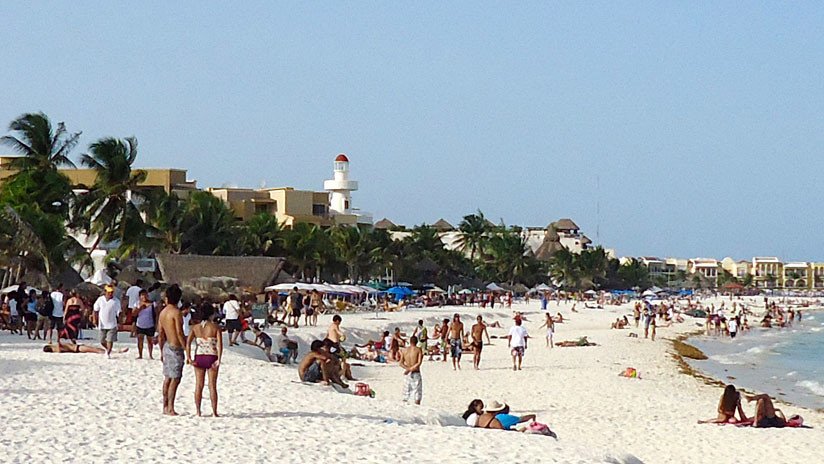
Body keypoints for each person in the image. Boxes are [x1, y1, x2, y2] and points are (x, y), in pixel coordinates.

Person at [185, 303, 223, 417]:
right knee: (212, 385)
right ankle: (214, 412)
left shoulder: (195, 328)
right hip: (211, 356)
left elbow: (188, 343)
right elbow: (220, 345)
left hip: (199, 356)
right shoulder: (215, 327)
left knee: (199, 385)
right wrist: (219, 359)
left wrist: (189, 357)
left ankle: (198, 411)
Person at [158, 284, 186, 416]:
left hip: (166, 346)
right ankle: (170, 407)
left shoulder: (163, 313)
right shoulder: (176, 313)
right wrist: (186, 347)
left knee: (168, 378)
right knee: (175, 378)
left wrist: (160, 350)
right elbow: (179, 332)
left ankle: (165, 405)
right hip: (175, 347)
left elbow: (160, 332)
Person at [93, 285, 121, 358]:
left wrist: (120, 322)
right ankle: (107, 349)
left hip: (112, 324)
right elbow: (95, 310)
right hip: (102, 324)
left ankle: (108, 353)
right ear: (105, 292)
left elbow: (119, 313)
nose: (110, 294)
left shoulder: (116, 301)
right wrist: (94, 319)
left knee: (110, 340)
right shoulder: (100, 299)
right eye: (109, 292)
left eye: (111, 292)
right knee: (102, 340)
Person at [400, 335, 423, 405]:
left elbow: (400, 363)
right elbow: (419, 362)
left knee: (406, 391)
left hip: (408, 373)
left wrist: (408, 369)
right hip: (416, 372)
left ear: (410, 342)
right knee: (417, 392)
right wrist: (411, 369)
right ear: (417, 342)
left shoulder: (404, 350)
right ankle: (417, 406)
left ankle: (405, 405)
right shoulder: (418, 350)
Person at [134, 289, 156, 359]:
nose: (144, 297)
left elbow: (157, 314)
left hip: (150, 324)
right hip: (140, 324)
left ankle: (150, 354)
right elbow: (133, 314)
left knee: (150, 341)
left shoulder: (153, 304)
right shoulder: (137, 303)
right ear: (140, 296)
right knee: (140, 340)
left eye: (145, 295)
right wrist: (140, 308)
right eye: (142, 295)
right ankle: (140, 355)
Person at [43, 341, 128, 354]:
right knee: (96, 350)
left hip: (77, 347)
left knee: (95, 349)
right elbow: (63, 348)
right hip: (77, 348)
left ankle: (111, 351)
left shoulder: (55, 348)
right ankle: (114, 352)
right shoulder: (57, 348)